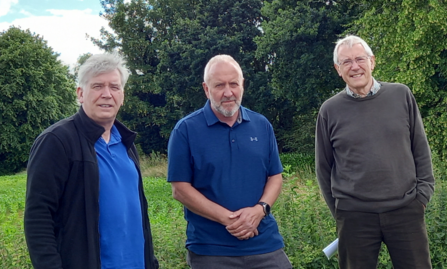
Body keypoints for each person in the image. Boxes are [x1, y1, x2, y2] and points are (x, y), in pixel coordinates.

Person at [24, 54, 159, 269]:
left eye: (114, 87)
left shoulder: (126, 143)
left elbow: (137, 214)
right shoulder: (57, 141)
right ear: (80, 93)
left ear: (122, 96)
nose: (107, 94)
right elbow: (38, 218)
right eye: (97, 86)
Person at [315, 35, 435, 269]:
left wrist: (422, 196)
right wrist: (340, 213)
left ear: (372, 62)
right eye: (346, 62)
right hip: (354, 216)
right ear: (338, 69)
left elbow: (420, 148)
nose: (355, 66)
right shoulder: (329, 110)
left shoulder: (401, 95)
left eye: (360, 59)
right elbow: (323, 168)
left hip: (406, 209)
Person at [167, 54, 292, 269]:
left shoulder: (262, 125)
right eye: (219, 85)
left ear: (242, 85)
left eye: (233, 84)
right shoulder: (186, 130)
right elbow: (180, 189)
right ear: (206, 89)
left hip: (265, 243)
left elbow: (275, 176)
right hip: (211, 250)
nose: (228, 92)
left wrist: (259, 210)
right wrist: (229, 219)